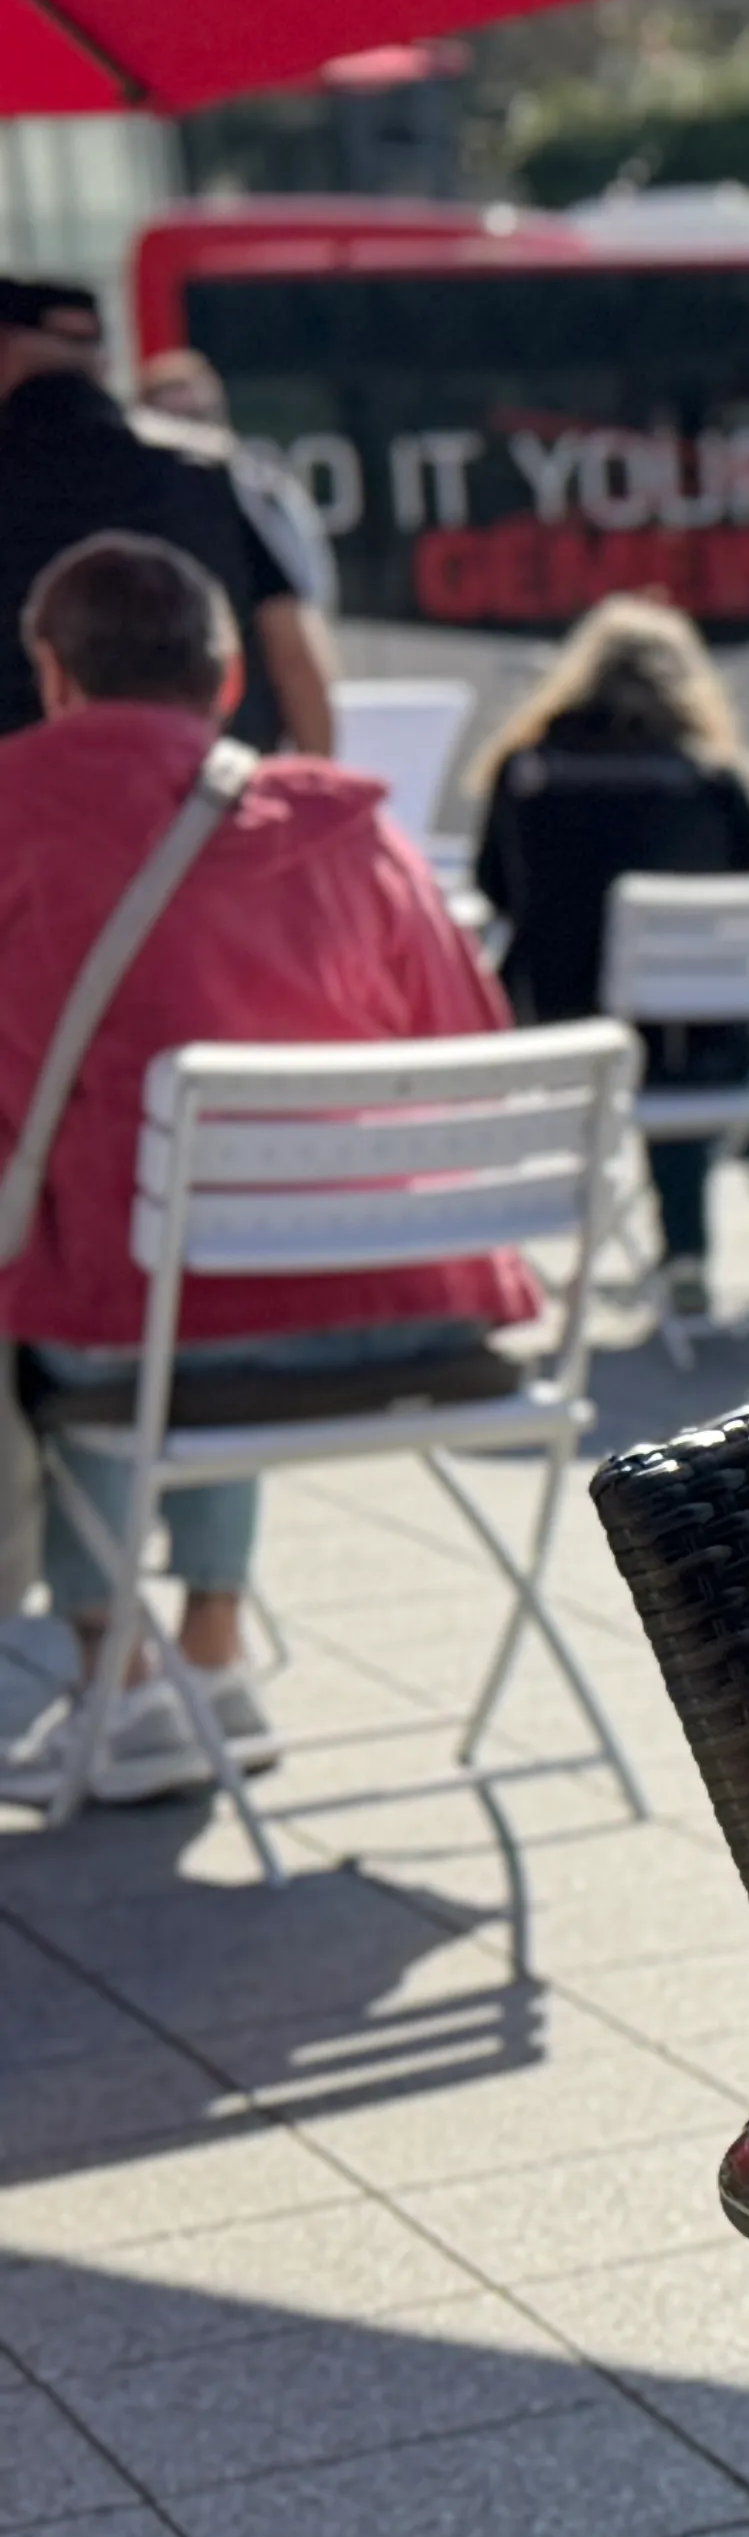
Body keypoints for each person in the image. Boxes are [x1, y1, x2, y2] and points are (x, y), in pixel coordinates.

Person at [1, 535, 520, 1804]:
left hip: (153, 1340)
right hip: (404, 1321)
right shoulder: (354, 830)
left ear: (54, 675)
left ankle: (118, 1680)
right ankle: (215, 1655)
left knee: (98, 1288)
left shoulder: (17, 811)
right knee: (195, 1265)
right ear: (228, 682)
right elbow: (477, 1056)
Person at [462, 594, 749, 1316]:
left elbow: (492, 892)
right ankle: (690, 1245)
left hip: (560, 1031)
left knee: (651, 1025)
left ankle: (536, 1261)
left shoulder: (527, 771)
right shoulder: (710, 781)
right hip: (690, 1042)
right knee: (682, 1028)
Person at [0, 280, 333, 760]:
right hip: (209, 802)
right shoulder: (208, 470)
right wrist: (308, 792)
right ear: (104, 361)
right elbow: (293, 651)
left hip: (27, 813)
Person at [128, 347, 342, 630]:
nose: (192, 438)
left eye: (199, 417)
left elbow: (308, 589)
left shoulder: (263, 491)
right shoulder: (132, 503)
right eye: (175, 424)